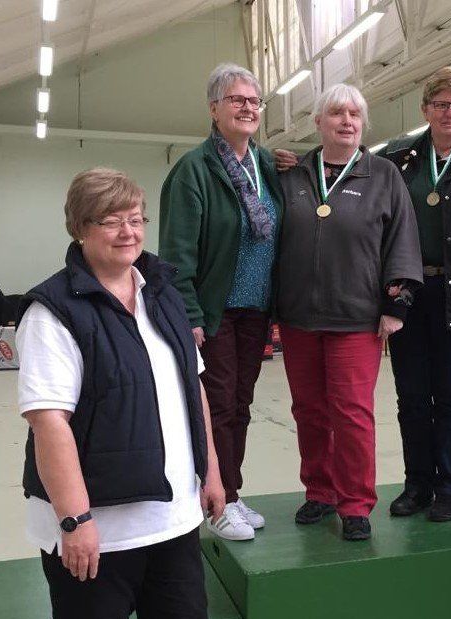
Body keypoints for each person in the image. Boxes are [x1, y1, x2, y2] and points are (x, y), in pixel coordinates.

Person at [17, 168, 226, 619]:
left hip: (172, 522)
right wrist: (74, 521)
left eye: (136, 219)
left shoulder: (160, 290)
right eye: (112, 221)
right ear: (80, 228)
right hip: (96, 534)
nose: (129, 232)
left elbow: (192, 386)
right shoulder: (53, 312)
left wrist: (211, 473)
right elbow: (49, 423)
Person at [276, 66, 451, 521]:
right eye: (442, 104)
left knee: (449, 396)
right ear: (426, 109)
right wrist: (288, 163)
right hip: (408, 293)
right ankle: (416, 485)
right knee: (410, 396)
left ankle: (448, 487)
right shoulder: (398, 159)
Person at [276, 83, 422, 541]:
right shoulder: (293, 174)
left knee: (352, 413)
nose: (347, 121)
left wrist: (395, 305)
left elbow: (402, 239)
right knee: (309, 411)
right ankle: (319, 491)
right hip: (299, 319)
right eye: (337, 113)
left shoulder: (383, 175)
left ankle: (355, 503)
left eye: (355, 115)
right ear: (318, 122)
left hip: (356, 320)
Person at [159, 63, 284, 541]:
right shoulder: (193, 170)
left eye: (254, 101)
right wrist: (188, 313)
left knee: (242, 403)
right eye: (237, 99)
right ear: (214, 109)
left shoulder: (267, 165)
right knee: (218, 405)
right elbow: (176, 254)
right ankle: (217, 500)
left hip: (256, 309)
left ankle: (231, 491)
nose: (248, 108)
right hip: (214, 312)